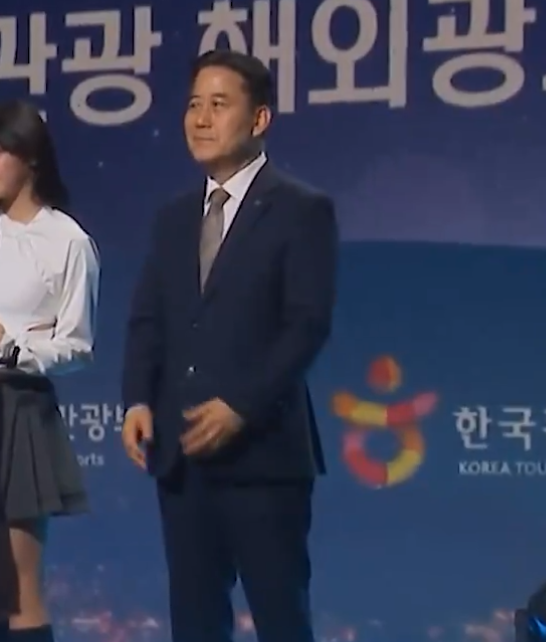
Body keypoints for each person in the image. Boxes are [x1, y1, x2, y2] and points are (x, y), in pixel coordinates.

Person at [119, 49, 337, 642]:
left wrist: (241, 405)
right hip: (181, 456)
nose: (201, 119)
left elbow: (307, 324)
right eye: (194, 104)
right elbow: (148, 319)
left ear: (259, 118)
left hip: (263, 457)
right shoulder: (173, 218)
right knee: (195, 622)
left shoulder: (301, 209)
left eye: (219, 104)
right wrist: (137, 399)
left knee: (281, 619)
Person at [0, 100, 97, 642]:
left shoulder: (67, 241)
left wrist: (13, 348)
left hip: (21, 407)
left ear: (30, 156)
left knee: (20, 588)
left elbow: (77, 345)